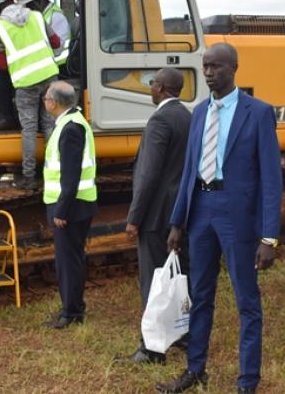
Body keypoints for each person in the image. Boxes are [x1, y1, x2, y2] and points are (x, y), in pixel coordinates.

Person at [158, 44, 282, 394]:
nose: (209, 72)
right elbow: (188, 171)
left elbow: (271, 178)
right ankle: (195, 370)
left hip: (237, 215)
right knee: (200, 295)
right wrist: (177, 222)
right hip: (201, 211)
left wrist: (268, 237)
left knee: (247, 301)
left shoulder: (257, 113)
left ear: (234, 68)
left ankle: (247, 382)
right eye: (205, 66)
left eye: (216, 66)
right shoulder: (198, 112)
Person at [122, 68, 191, 365]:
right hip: (181, 213)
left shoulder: (160, 120)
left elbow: (148, 175)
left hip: (155, 215)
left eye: (152, 84)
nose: (150, 88)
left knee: (153, 281)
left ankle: (152, 349)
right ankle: (183, 336)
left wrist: (134, 217)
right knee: (180, 277)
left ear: (160, 87)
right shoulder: (188, 116)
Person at [0, 0, 62, 189]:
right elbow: (56, 42)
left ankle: (29, 177)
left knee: (29, 129)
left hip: (25, 84)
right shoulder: (37, 17)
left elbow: (1, 65)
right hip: (49, 78)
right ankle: (54, 171)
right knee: (49, 125)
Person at [41, 81, 97, 329]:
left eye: (45, 99)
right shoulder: (72, 122)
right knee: (72, 258)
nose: (44, 102)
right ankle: (74, 307)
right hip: (77, 203)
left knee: (68, 260)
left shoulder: (70, 127)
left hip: (70, 207)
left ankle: (71, 312)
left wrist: (62, 210)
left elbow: (70, 174)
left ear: (54, 102)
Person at [18, 0, 72, 66]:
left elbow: (58, 49)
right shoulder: (42, 16)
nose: (28, 9)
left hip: (61, 68)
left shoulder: (56, 17)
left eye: (29, 5)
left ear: (38, 2)